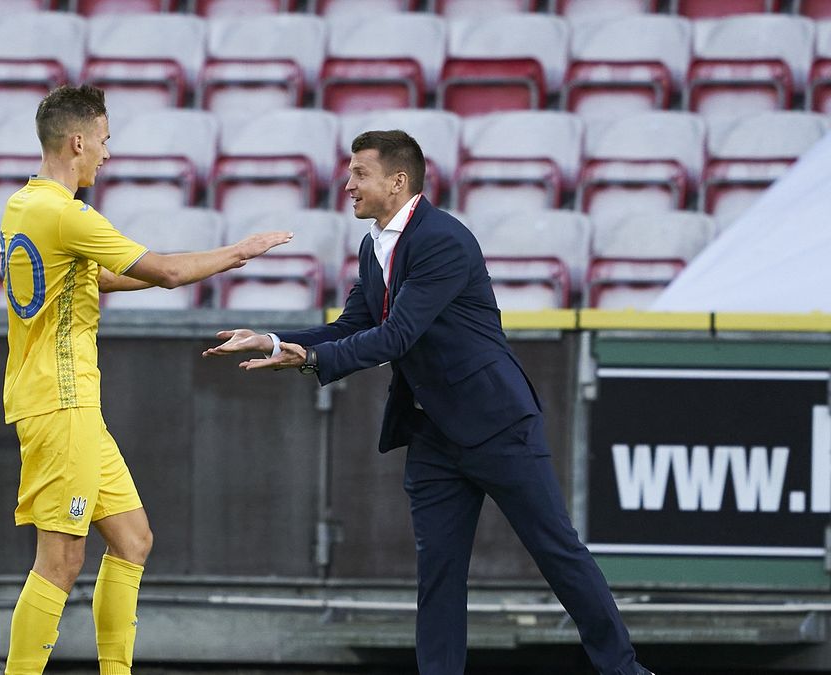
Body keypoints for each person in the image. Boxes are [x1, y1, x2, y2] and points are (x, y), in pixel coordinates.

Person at [202, 130, 652, 675]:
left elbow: (395, 337)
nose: (347, 185)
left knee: (558, 555)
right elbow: (352, 326)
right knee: (438, 575)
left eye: (359, 174)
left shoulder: (442, 240)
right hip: (433, 434)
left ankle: (625, 670)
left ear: (398, 181)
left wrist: (306, 359)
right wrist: (273, 340)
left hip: (497, 424)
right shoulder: (373, 246)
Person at [0, 84, 291, 675]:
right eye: (104, 141)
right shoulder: (66, 213)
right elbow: (164, 271)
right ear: (79, 141)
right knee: (59, 559)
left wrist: (168, 272)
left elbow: (100, 279)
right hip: (61, 405)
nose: (107, 155)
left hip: (69, 405)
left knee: (133, 540)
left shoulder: (23, 206)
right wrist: (238, 252)